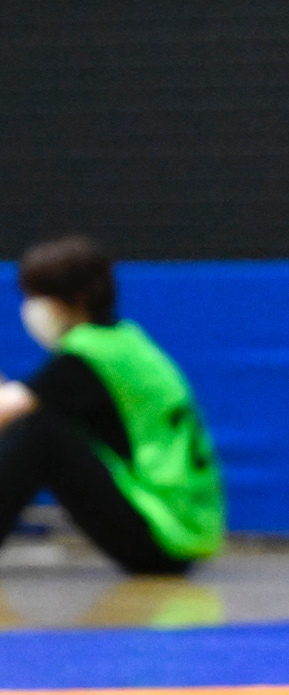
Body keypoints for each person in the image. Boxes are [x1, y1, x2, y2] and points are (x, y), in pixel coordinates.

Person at [0, 236, 224, 575]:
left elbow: (11, 410)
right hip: (183, 527)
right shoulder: (122, 342)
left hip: (163, 533)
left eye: (38, 297)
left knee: (39, 433)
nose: (30, 309)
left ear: (75, 299)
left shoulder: (89, 356)